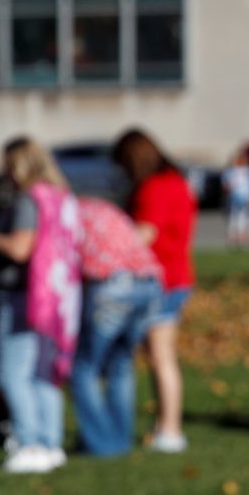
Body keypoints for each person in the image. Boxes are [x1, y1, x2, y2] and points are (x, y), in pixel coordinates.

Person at [0, 137, 80, 474]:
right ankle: (50, 442)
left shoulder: (29, 199)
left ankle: (30, 441)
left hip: (22, 294)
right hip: (57, 298)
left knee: (11, 374)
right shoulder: (60, 197)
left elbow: (21, 248)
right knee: (42, 375)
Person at [114, 127, 196, 453]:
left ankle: (171, 429)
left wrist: (110, 246)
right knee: (161, 356)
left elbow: (145, 232)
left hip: (162, 278)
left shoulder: (155, 187)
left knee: (161, 356)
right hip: (175, 275)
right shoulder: (176, 182)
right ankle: (166, 425)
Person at [68, 194, 164, 458]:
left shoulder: (67, 213)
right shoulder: (102, 207)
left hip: (112, 285)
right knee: (121, 365)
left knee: (83, 368)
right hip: (148, 283)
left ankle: (101, 443)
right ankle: (120, 438)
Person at [223, 151, 249, 249]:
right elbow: (227, 185)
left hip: (246, 197)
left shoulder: (248, 171)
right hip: (235, 198)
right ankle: (235, 238)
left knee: (246, 218)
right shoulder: (231, 171)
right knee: (235, 218)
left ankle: (244, 238)